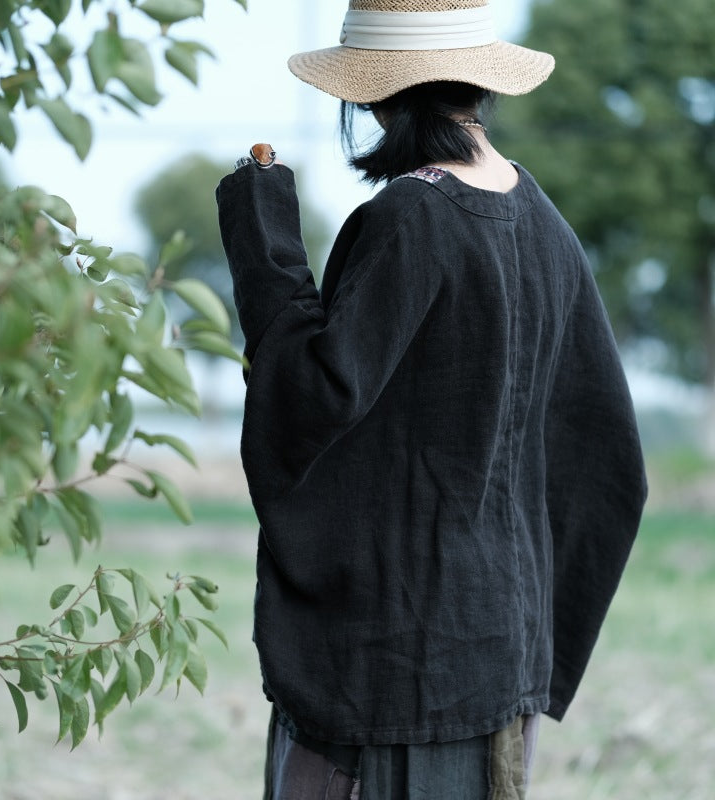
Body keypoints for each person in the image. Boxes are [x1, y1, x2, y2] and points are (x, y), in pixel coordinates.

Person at [216, 1, 648, 798]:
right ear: (476, 88)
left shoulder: (409, 217)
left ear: (378, 98)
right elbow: (610, 464)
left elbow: (310, 403)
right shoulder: (544, 221)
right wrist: (540, 645)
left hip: (392, 673)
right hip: (501, 666)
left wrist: (262, 237)